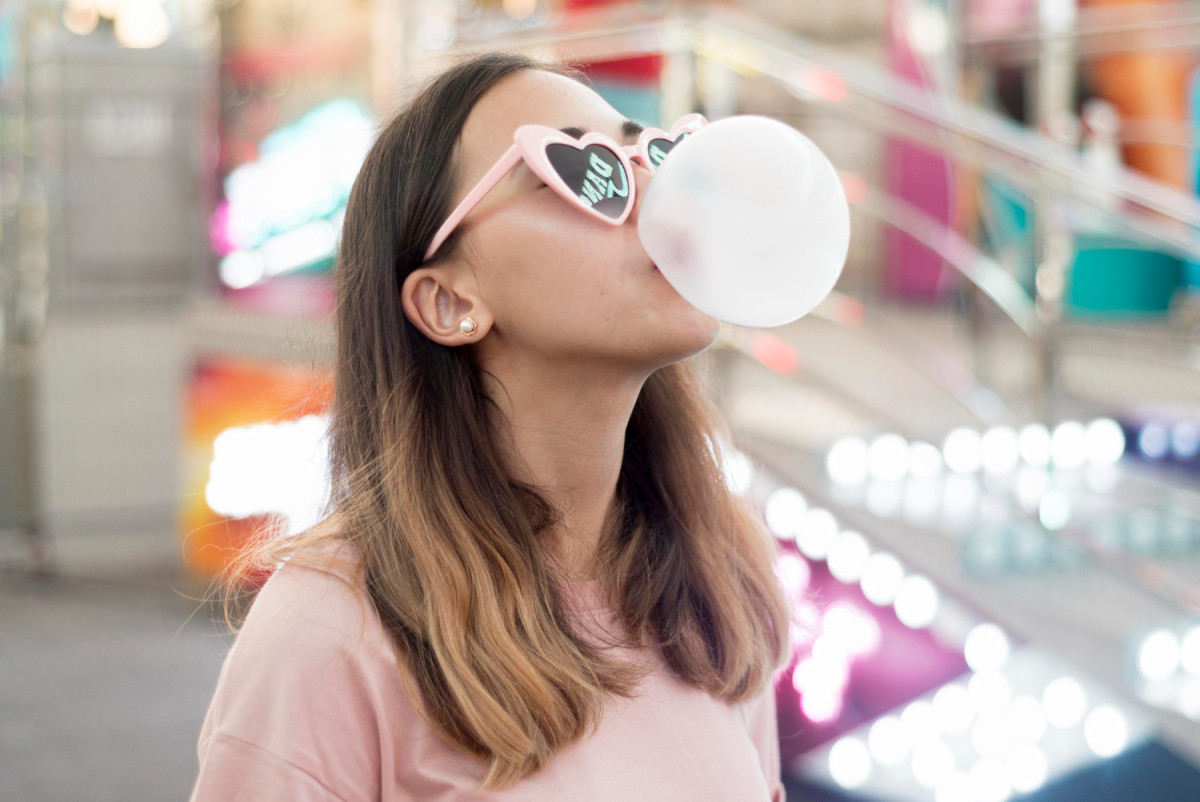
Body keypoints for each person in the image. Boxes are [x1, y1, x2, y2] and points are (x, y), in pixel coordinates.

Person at [191, 51, 791, 801]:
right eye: (585, 170)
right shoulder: (328, 633)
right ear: (448, 301)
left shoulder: (721, 578)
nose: (653, 191)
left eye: (657, 155)